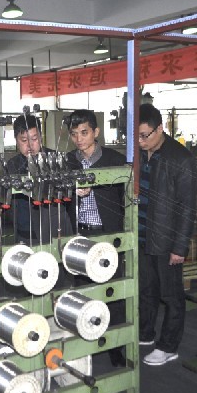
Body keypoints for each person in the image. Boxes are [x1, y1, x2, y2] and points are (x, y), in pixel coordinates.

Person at [65, 109, 127, 368]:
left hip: (106, 234)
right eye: (74, 134)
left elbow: (125, 198)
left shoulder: (115, 159)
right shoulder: (68, 161)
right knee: (81, 291)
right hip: (80, 233)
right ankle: (86, 341)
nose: (79, 139)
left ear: (96, 132)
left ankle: (117, 346)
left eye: (84, 132)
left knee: (112, 290)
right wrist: (72, 189)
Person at [137, 103, 197, 366]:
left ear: (160, 129)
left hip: (166, 240)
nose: (140, 142)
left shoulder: (180, 158)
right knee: (146, 290)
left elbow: (187, 207)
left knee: (171, 295)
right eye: (136, 136)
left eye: (145, 135)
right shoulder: (140, 154)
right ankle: (145, 333)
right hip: (142, 236)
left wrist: (179, 247)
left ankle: (169, 346)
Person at [6, 114, 73, 245]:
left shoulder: (56, 160)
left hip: (53, 231)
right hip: (23, 232)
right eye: (24, 140)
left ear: (41, 137)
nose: (30, 145)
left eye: (34, 139)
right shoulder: (12, 164)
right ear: (16, 140)